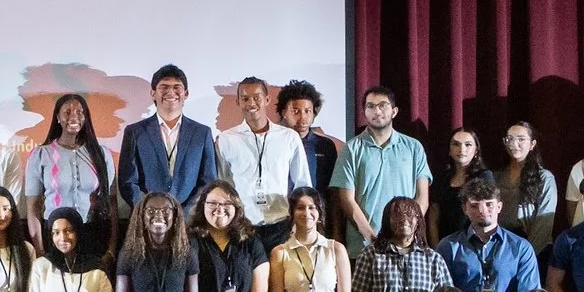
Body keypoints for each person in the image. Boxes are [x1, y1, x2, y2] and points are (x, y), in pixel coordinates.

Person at [436, 177, 541, 292]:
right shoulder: (449, 246)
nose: (482, 210)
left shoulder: (521, 247)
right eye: (474, 205)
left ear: (499, 207)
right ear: (464, 209)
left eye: (489, 204)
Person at [217, 75, 313, 250]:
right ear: (238, 102)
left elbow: (302, 184)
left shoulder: (289, 137)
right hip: (242, 227)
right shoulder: (226, 139)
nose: (251, 103)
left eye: (256, 98)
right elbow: (223, 186)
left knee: (280, 278)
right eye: (245, 99)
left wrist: (299, 224)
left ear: (267, 100)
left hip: (281, 226)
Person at [329, 86, 432, 249]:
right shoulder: (351, 149)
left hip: (406, 245)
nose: (377, 111)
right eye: (370, 106)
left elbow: (422, 197)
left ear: (394, 111)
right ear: (364, 112)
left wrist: (408, 234)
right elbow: (346, 200)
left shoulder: (414, 147)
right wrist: (374, 239)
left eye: (382, 105)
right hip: (364, 247)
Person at [117, 65, 219, 227]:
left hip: (189, 222)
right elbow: (128, 181)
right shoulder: (135, 132)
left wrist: (185, 213)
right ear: (153, 93)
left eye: (177, 87)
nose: (171, 92)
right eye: (164, 87)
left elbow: (208, 182)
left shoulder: (202, 133)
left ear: (186, 94)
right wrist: (150, 211)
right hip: (146, 222)